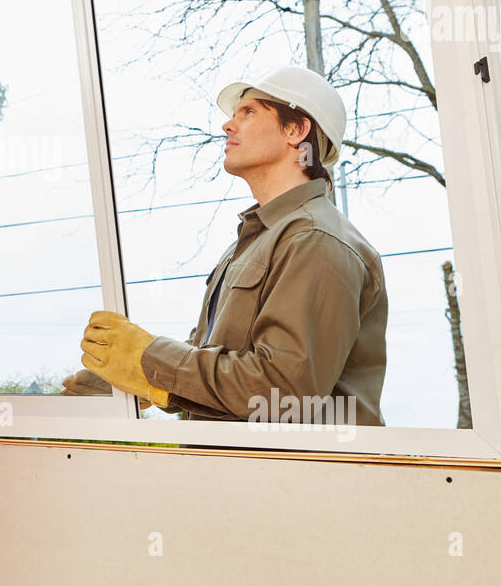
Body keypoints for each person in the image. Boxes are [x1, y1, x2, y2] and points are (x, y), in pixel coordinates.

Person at [65, 65, 386, 427]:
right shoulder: (252, 244)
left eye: (248, 112)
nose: (227, 125)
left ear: (295, 130)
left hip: (298, 478)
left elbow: (281, 393)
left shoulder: (317, 240)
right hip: (238, 473)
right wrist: (132, 378)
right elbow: (221, 379)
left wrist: (149, 359)